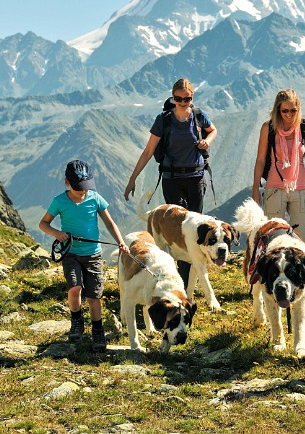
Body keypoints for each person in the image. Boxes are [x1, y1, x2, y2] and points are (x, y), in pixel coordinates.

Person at [124, 78, 217, 286]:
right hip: (172, 179)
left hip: (195, 178)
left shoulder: (199, 116)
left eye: (188, 98)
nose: (183, 102)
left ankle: (186, 280)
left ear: (192, 98)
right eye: (179, 98)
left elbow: (213, 130)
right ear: (173, 98)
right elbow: (148, 151)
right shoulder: (164, 120)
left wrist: (206, 142)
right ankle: (180, 278)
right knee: (179, 228)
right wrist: (132, 179)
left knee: (196, 229)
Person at [39, 159, 129, 352]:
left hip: (93, 255)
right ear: (67, 183)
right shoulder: (59, 201)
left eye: (86, 187)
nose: (83, 191)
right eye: (79, 188)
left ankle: (98, 330)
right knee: (74, 288)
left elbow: (109, 222)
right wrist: (58, 234)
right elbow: (43, 223)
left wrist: (120, 241)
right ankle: (77, 320)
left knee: (94, 296)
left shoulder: (95, 198)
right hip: (70, 253)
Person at [251, 89, 305, 244]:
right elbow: (261, 160)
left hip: (301, 189)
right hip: (274, 189)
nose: (289, 114)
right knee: (272, 237)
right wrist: (255, 188)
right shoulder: (268, 128)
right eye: (285, 111)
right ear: (278, 110)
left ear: (298, 109)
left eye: (293, 110)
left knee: (303, 238)